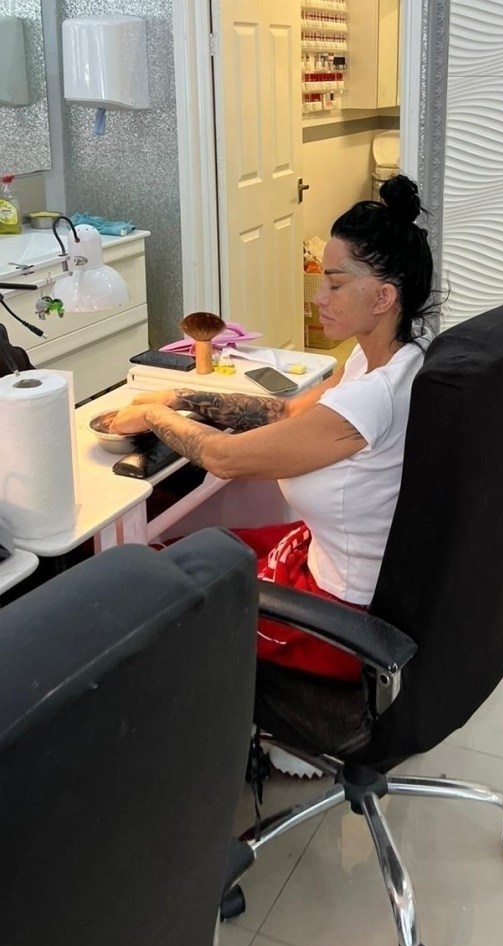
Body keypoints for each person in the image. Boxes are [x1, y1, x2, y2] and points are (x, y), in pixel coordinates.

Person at [111, 173, 434, 683]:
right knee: (186, 551)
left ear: (383, 297)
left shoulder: (374, 398)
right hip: (325, 556)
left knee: (156, 586)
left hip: (336, 620)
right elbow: (286, 414)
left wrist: (154, 417)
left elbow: (225, 459)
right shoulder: (393, 359)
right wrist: (180, 395)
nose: (320, 296)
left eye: (334, 283)